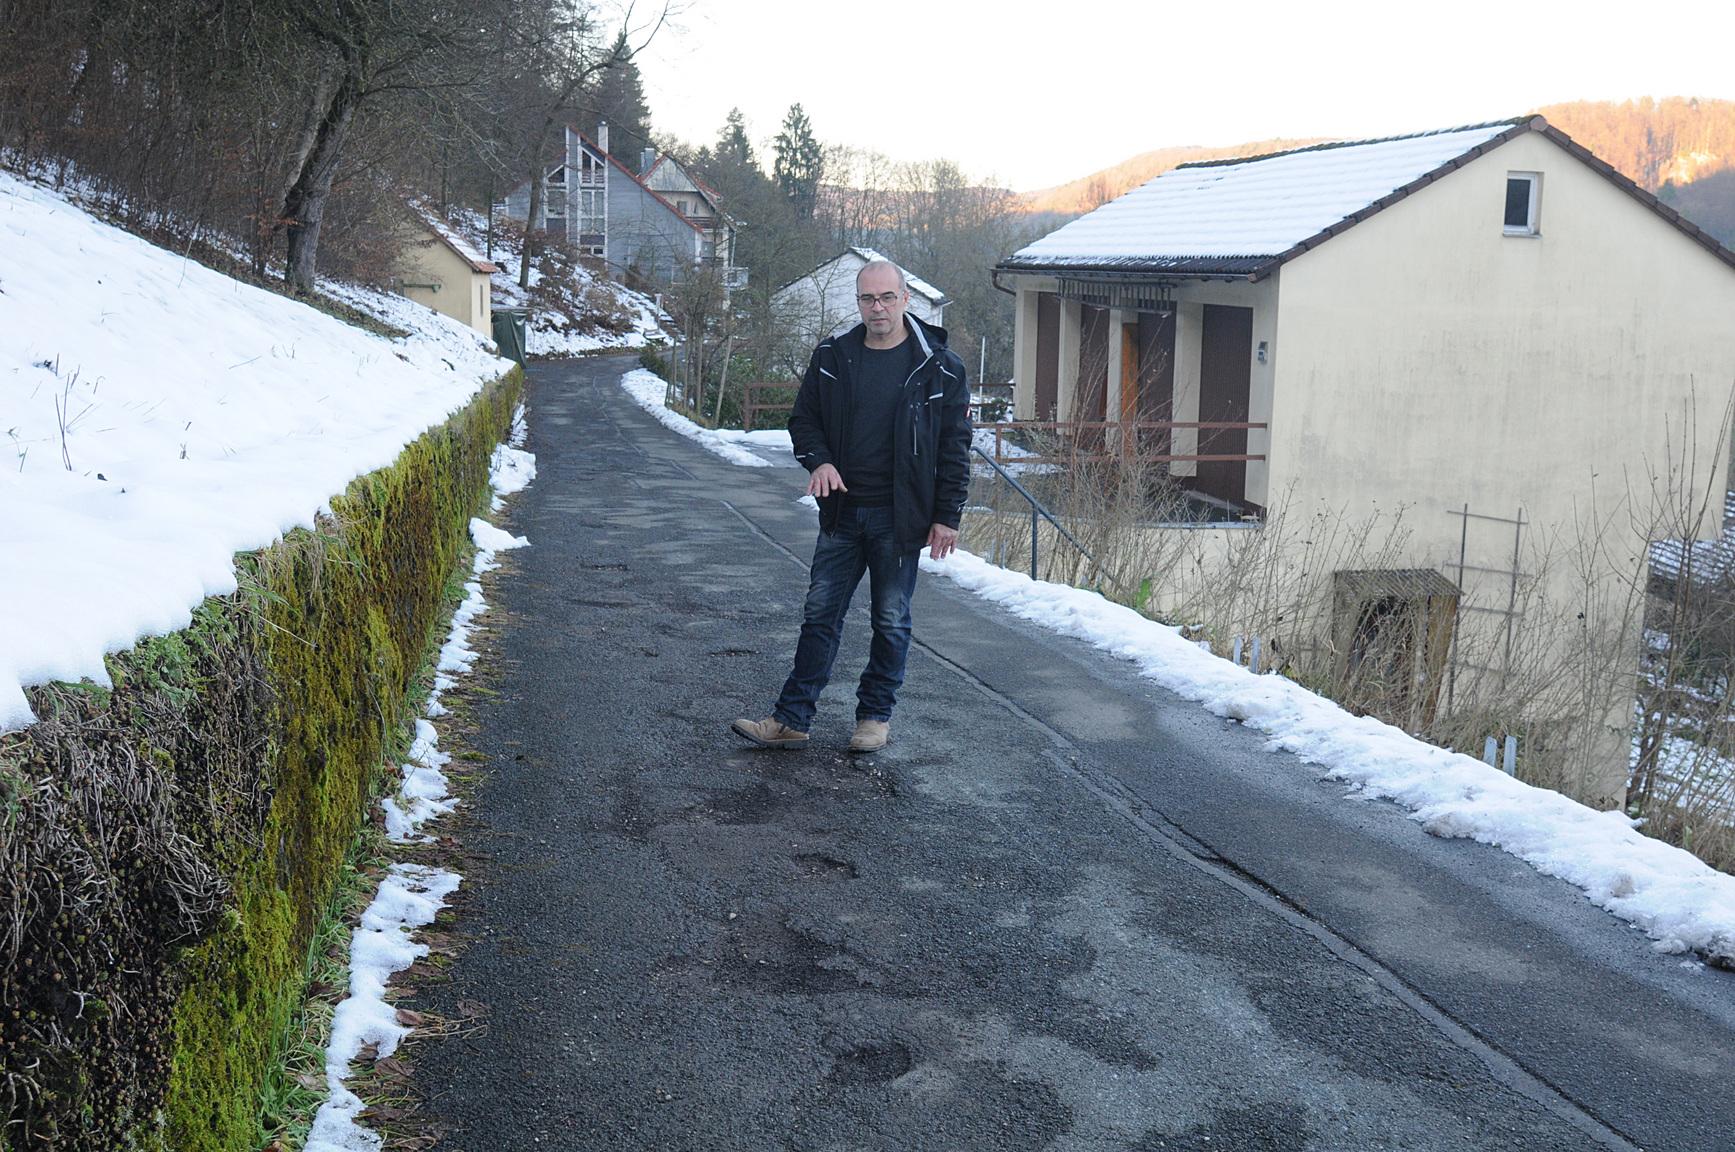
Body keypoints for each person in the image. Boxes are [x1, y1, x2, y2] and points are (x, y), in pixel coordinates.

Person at [732, 259, 971, 753]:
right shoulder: (833, 357)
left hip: (901, 518)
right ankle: (792, 718)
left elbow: (954, 446)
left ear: (907, 299)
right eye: (868, 299)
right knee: (820, 615)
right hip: (842, 511)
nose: (877, 307)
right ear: (857, 302)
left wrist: (948, 515)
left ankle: (874, 718)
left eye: (886, 297)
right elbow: (804, 421)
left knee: (890, 618)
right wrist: (818, 462)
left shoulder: (939, 366)